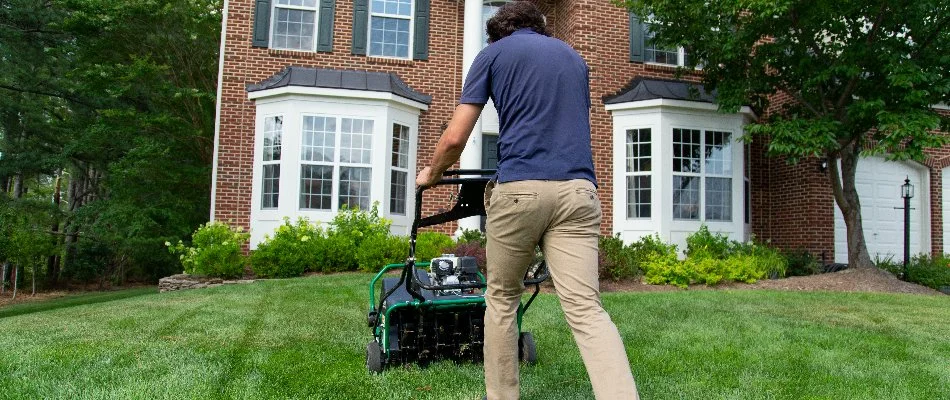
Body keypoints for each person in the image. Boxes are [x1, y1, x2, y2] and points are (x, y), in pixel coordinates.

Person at [415, 2, 639, 399]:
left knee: (501, 299)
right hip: (578, 192)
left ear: (499, 31)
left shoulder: (493, 54)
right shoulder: (574, 59)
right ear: (541, 27)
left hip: (520, 191)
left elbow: (454, 138)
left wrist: (431, 174)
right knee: (587, 309)